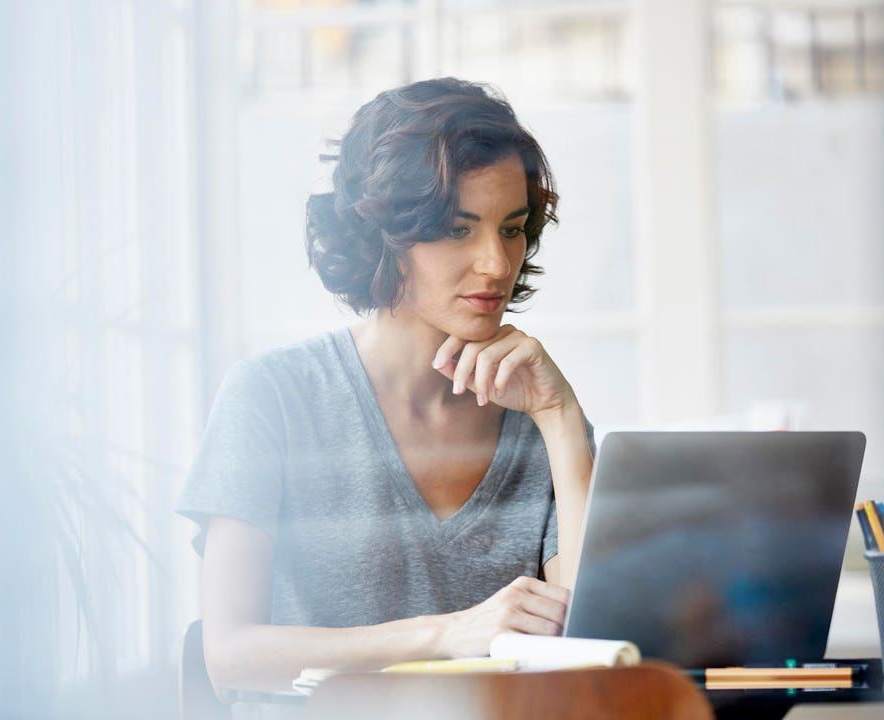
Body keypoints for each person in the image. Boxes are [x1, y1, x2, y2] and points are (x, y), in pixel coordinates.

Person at [176, 77, 594, 698]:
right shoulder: (272, 397)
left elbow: (589, 644)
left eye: (511, 228)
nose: (497, 264)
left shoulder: (540, 414)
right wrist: (450, 634)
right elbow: (230, 654)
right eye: (458, 229)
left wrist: (561, 419)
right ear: (384, 236)